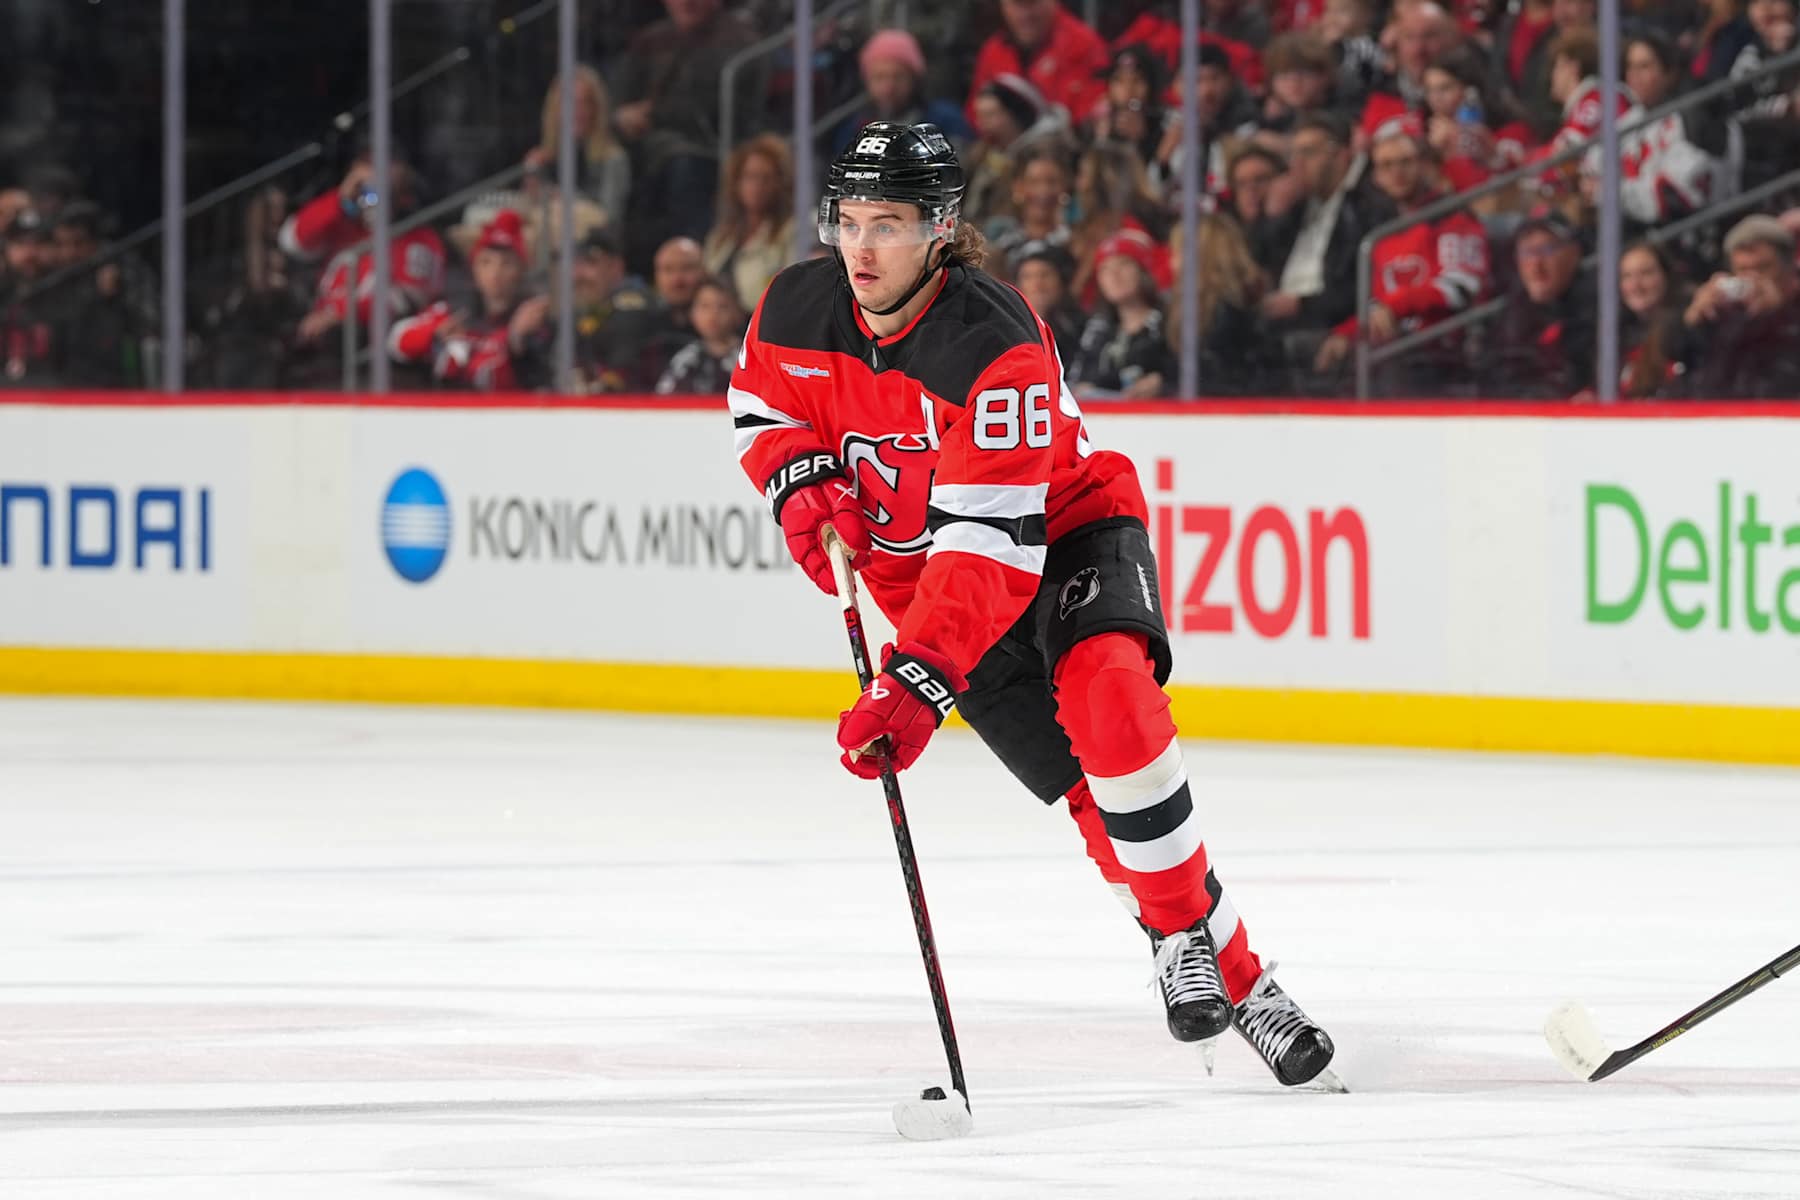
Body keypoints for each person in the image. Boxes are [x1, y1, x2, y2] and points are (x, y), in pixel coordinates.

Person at [726, 121, 1338, 1088]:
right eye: (848, 221)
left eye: (889, 224)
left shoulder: (994, 341)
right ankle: (1244, 983)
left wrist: (916, 682)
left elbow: (989, 549)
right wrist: (802, 484)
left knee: (1113, 708)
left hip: (1059, 541)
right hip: (931, 591)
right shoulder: (798, 304)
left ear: (940, 229)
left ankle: (1178, 934)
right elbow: (760, 408)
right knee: (1099, 808)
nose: (862, 248)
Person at [1313, 117, 1489, 395]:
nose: (1397, 173)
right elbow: (1376, 308)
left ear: (1424, 164)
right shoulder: (1382, 236)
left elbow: (1461, 286)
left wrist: (1396, 306)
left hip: (1442, 352)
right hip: (1395, 348)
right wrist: (1345, 334)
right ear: (1377, 178)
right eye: (1387, 165)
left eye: (1405, 162)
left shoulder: (1451, 217)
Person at [277, 147, 446, 386]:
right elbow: (293, 240)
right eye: (367, 186)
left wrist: (340, 314)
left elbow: (403, 301)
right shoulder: (344, 227)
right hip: (322, 347)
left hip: (378, 355)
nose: (372, 196)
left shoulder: (420, 238)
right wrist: (340, 199)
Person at [388, 210, 552, 391]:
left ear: (521, 270)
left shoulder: (533, 315)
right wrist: (434, 333)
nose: (495, 273)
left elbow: (539, 376)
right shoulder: (454, 309)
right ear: (474, 268)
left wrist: (516, 339)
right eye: (486, 262)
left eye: (506, 263)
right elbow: (397, 341)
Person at [1480, 208, 1596, 399]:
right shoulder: (1506, 319)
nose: (1536, 265)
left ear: (1574, 253)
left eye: (1547, 250)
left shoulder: (1599, 313)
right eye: (1527, 252)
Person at [1681, 212, 1800, 397]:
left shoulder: (1791, 313)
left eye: (1762, 268)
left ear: (1789, 269)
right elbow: (1695, 371)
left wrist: (1777, 313)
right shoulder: (1728, 314)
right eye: (1743, 269)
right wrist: (1695, 321)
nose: (1751, 278)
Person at [965, 0, 1110, 129]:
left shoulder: (1084, 46)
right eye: (1016, 4)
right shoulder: (993, 51)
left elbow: (1088, 118)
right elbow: (973, 116)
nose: (1025, 15)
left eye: (1032, 3)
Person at [523, 65, 633, 235]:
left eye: (585, 103)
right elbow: (530, 216)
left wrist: (561, 199)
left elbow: (609, 219)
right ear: (555, 109)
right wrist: (532, 185)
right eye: (569, 102)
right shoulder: (544, 158)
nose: (577, 111)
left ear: (596, 109)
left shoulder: (613, 159)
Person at [1069, 229, 1177, 399]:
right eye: (1105, 269)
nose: (1114, 275)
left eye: (1124, 264)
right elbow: (1076, 381)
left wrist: (1164, 383)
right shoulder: (1095, 330)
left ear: (1143, 271)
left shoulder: (1170, 325)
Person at [831, 29, 971, 155]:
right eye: (879, 77)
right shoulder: (853, 131)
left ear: (915, 79)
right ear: (867, 81)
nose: (889, 87)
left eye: (898, 77)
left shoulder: (945, 120)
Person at [704, 134, 798, 312]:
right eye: (750, 176)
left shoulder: (794, 230)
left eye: (766, 178)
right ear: (736, 183)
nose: (757, 186)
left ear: (781, 183)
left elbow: (794, 291)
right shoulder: (721, 236)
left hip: (764, 325)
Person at [1617, 240, 1689, 399]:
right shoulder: (1616, 335)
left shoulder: (1687, 328)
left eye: (1646, 273)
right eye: (1627, 276)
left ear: (1666, 275)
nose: (1636, 285)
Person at [655, 275, 744, 394]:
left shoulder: (747, 359)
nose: (713, 315)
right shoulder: (684, 359)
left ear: (737, 312)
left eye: (722, 307)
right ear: (692, 313)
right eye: (705, 306)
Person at [1010, 239, 1086, 355]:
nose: (1037, 285)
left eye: (1045, 275)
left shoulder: (1084, 328)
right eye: (1027, 277)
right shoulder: (1009, 328)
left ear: (1062, 280)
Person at [652, 236, 706, 331]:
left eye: (686, 268)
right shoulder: (645, 322)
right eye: (668, 269)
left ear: (703, 272)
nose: (676, 280)